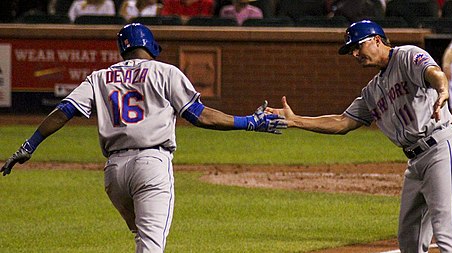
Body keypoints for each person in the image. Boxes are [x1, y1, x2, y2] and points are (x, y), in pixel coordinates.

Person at [0, 23, 286, 252]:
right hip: (151, 165)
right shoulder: (165, 72)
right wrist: (248, 122)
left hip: (114, 175)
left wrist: (30, 145)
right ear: (150, 46)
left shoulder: (100, 77)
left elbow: (64, 111)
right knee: (151, 246)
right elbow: (198, 115)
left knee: (143, 238)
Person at [266, 20, 452, 253]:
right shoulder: (372, 91)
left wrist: (443, 89)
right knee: (409, 239)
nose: (354, 53)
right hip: (415, 162)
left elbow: (434, 73)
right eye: (351, 49)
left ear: (377, 40)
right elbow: (342, 122)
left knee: (447, 235)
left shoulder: (407, 56)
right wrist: (295, 120)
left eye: (358, 46)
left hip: (440, 149)